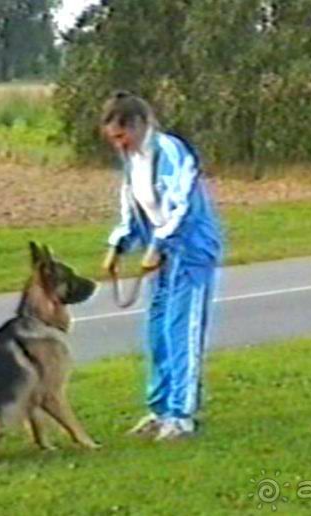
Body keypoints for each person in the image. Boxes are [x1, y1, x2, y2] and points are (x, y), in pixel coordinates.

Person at [100, 90, 223, 441]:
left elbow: (180, 207)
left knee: (181, 330)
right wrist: (118, 244)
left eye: (122, 136)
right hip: (161, 254)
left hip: (190, 251)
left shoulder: (171, 152)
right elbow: (132, 204)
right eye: (113, 140)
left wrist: (158, 245)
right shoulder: (132, 160)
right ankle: (159, 408)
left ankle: (181, 415)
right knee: (157, 331)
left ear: (139, 125)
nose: (118, 145)